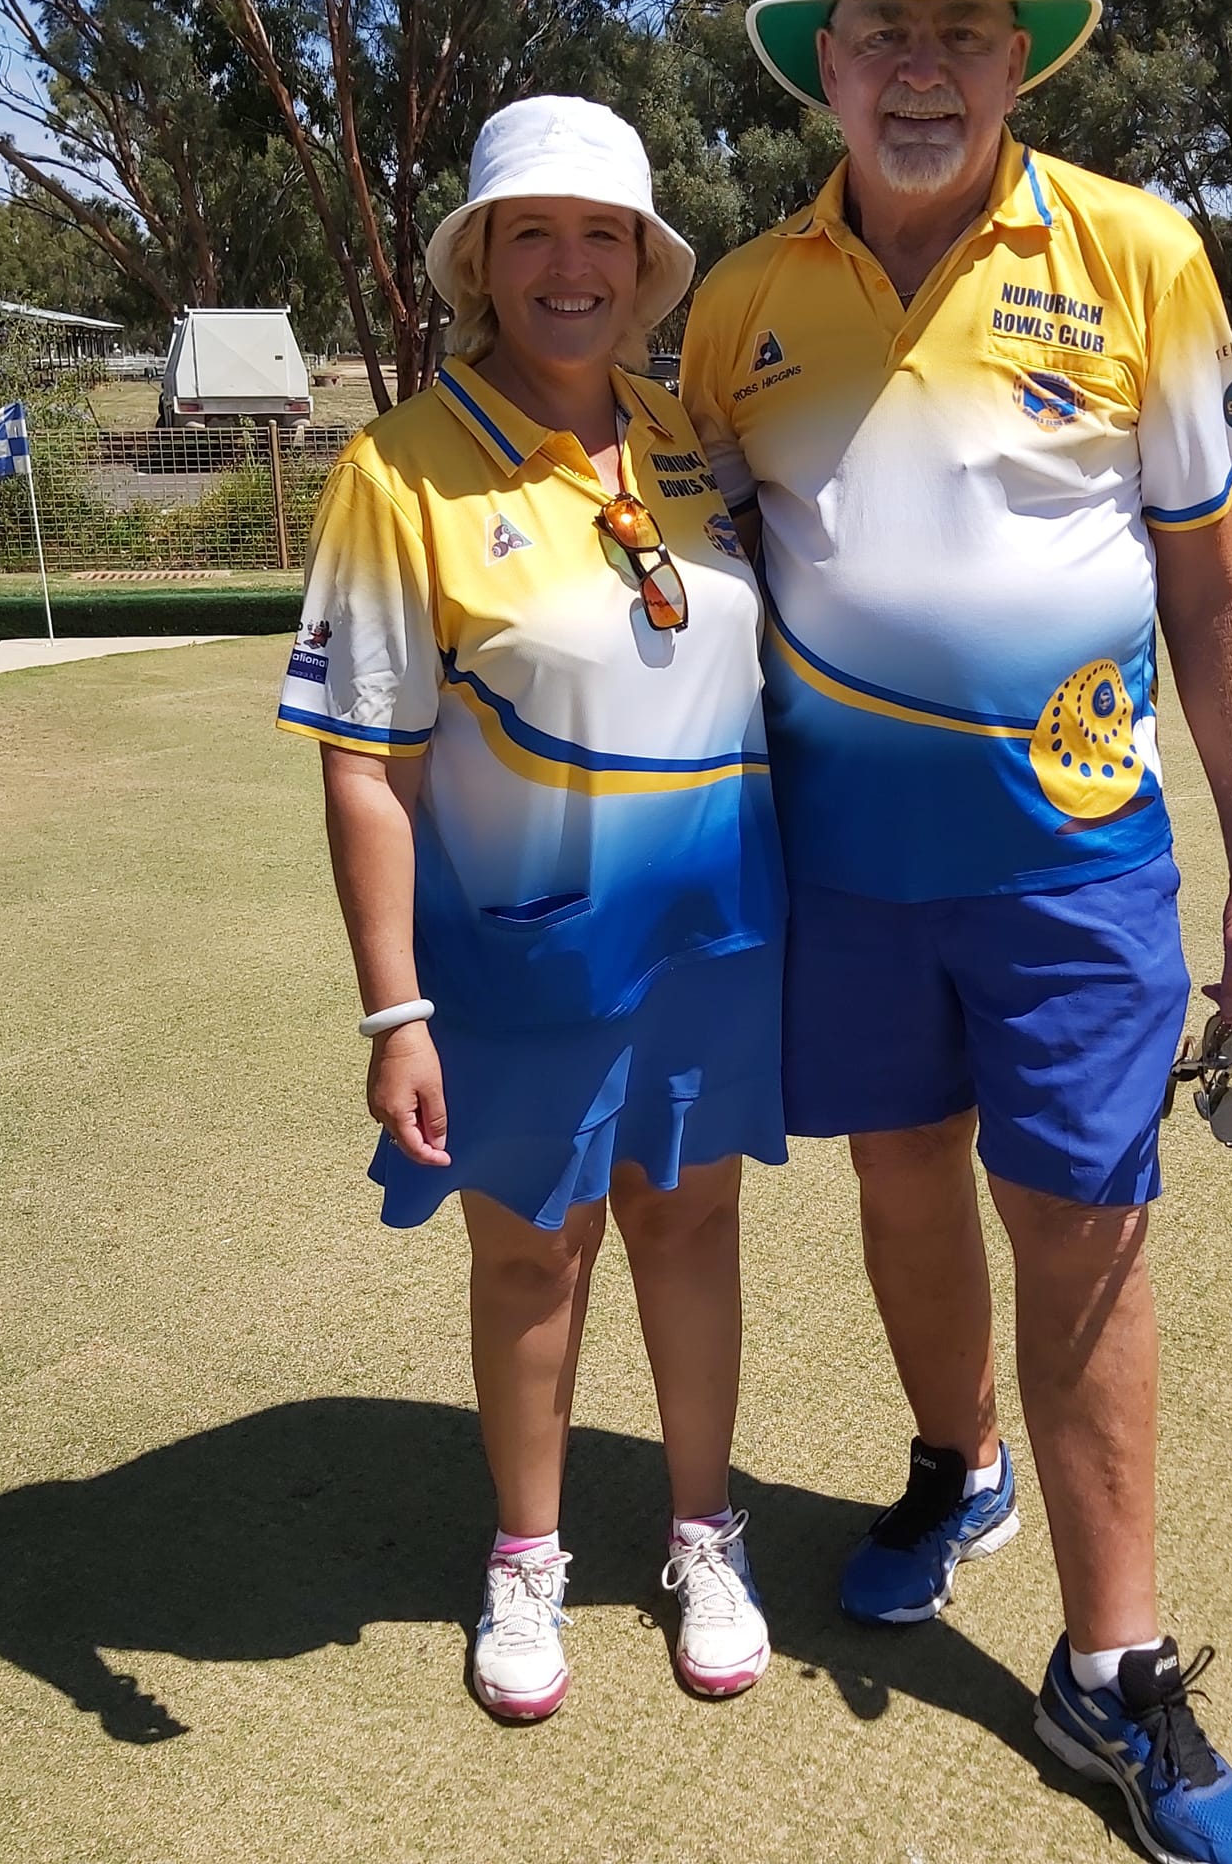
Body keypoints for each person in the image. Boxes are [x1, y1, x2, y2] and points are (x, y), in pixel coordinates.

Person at [681, 0, 1232, 1858]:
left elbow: (1208, 583)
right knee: (899, 1182)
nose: (923, 67)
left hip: (1074, 866)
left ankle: (1107, 1664)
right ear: (826, 69)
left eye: (963, 31)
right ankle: (954, 1468)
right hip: (842, 868)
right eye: (886, 34)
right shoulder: (739, 309)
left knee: (1082, 1220)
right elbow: (691, 593)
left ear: (1017, 58)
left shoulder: (1135, 256)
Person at [278, 96, 785, 1723]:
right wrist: (392, 1010)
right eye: (532, 235)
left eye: (603, 235)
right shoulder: (397, 471)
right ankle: (527, 1555)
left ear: (646, 262)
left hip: (711, 938)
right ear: (481, 263)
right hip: (515, 958)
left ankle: (707, 1533)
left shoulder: (696, 437)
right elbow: (367, 770)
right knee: (533, 1263)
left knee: (694, 1226)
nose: (571, 267)